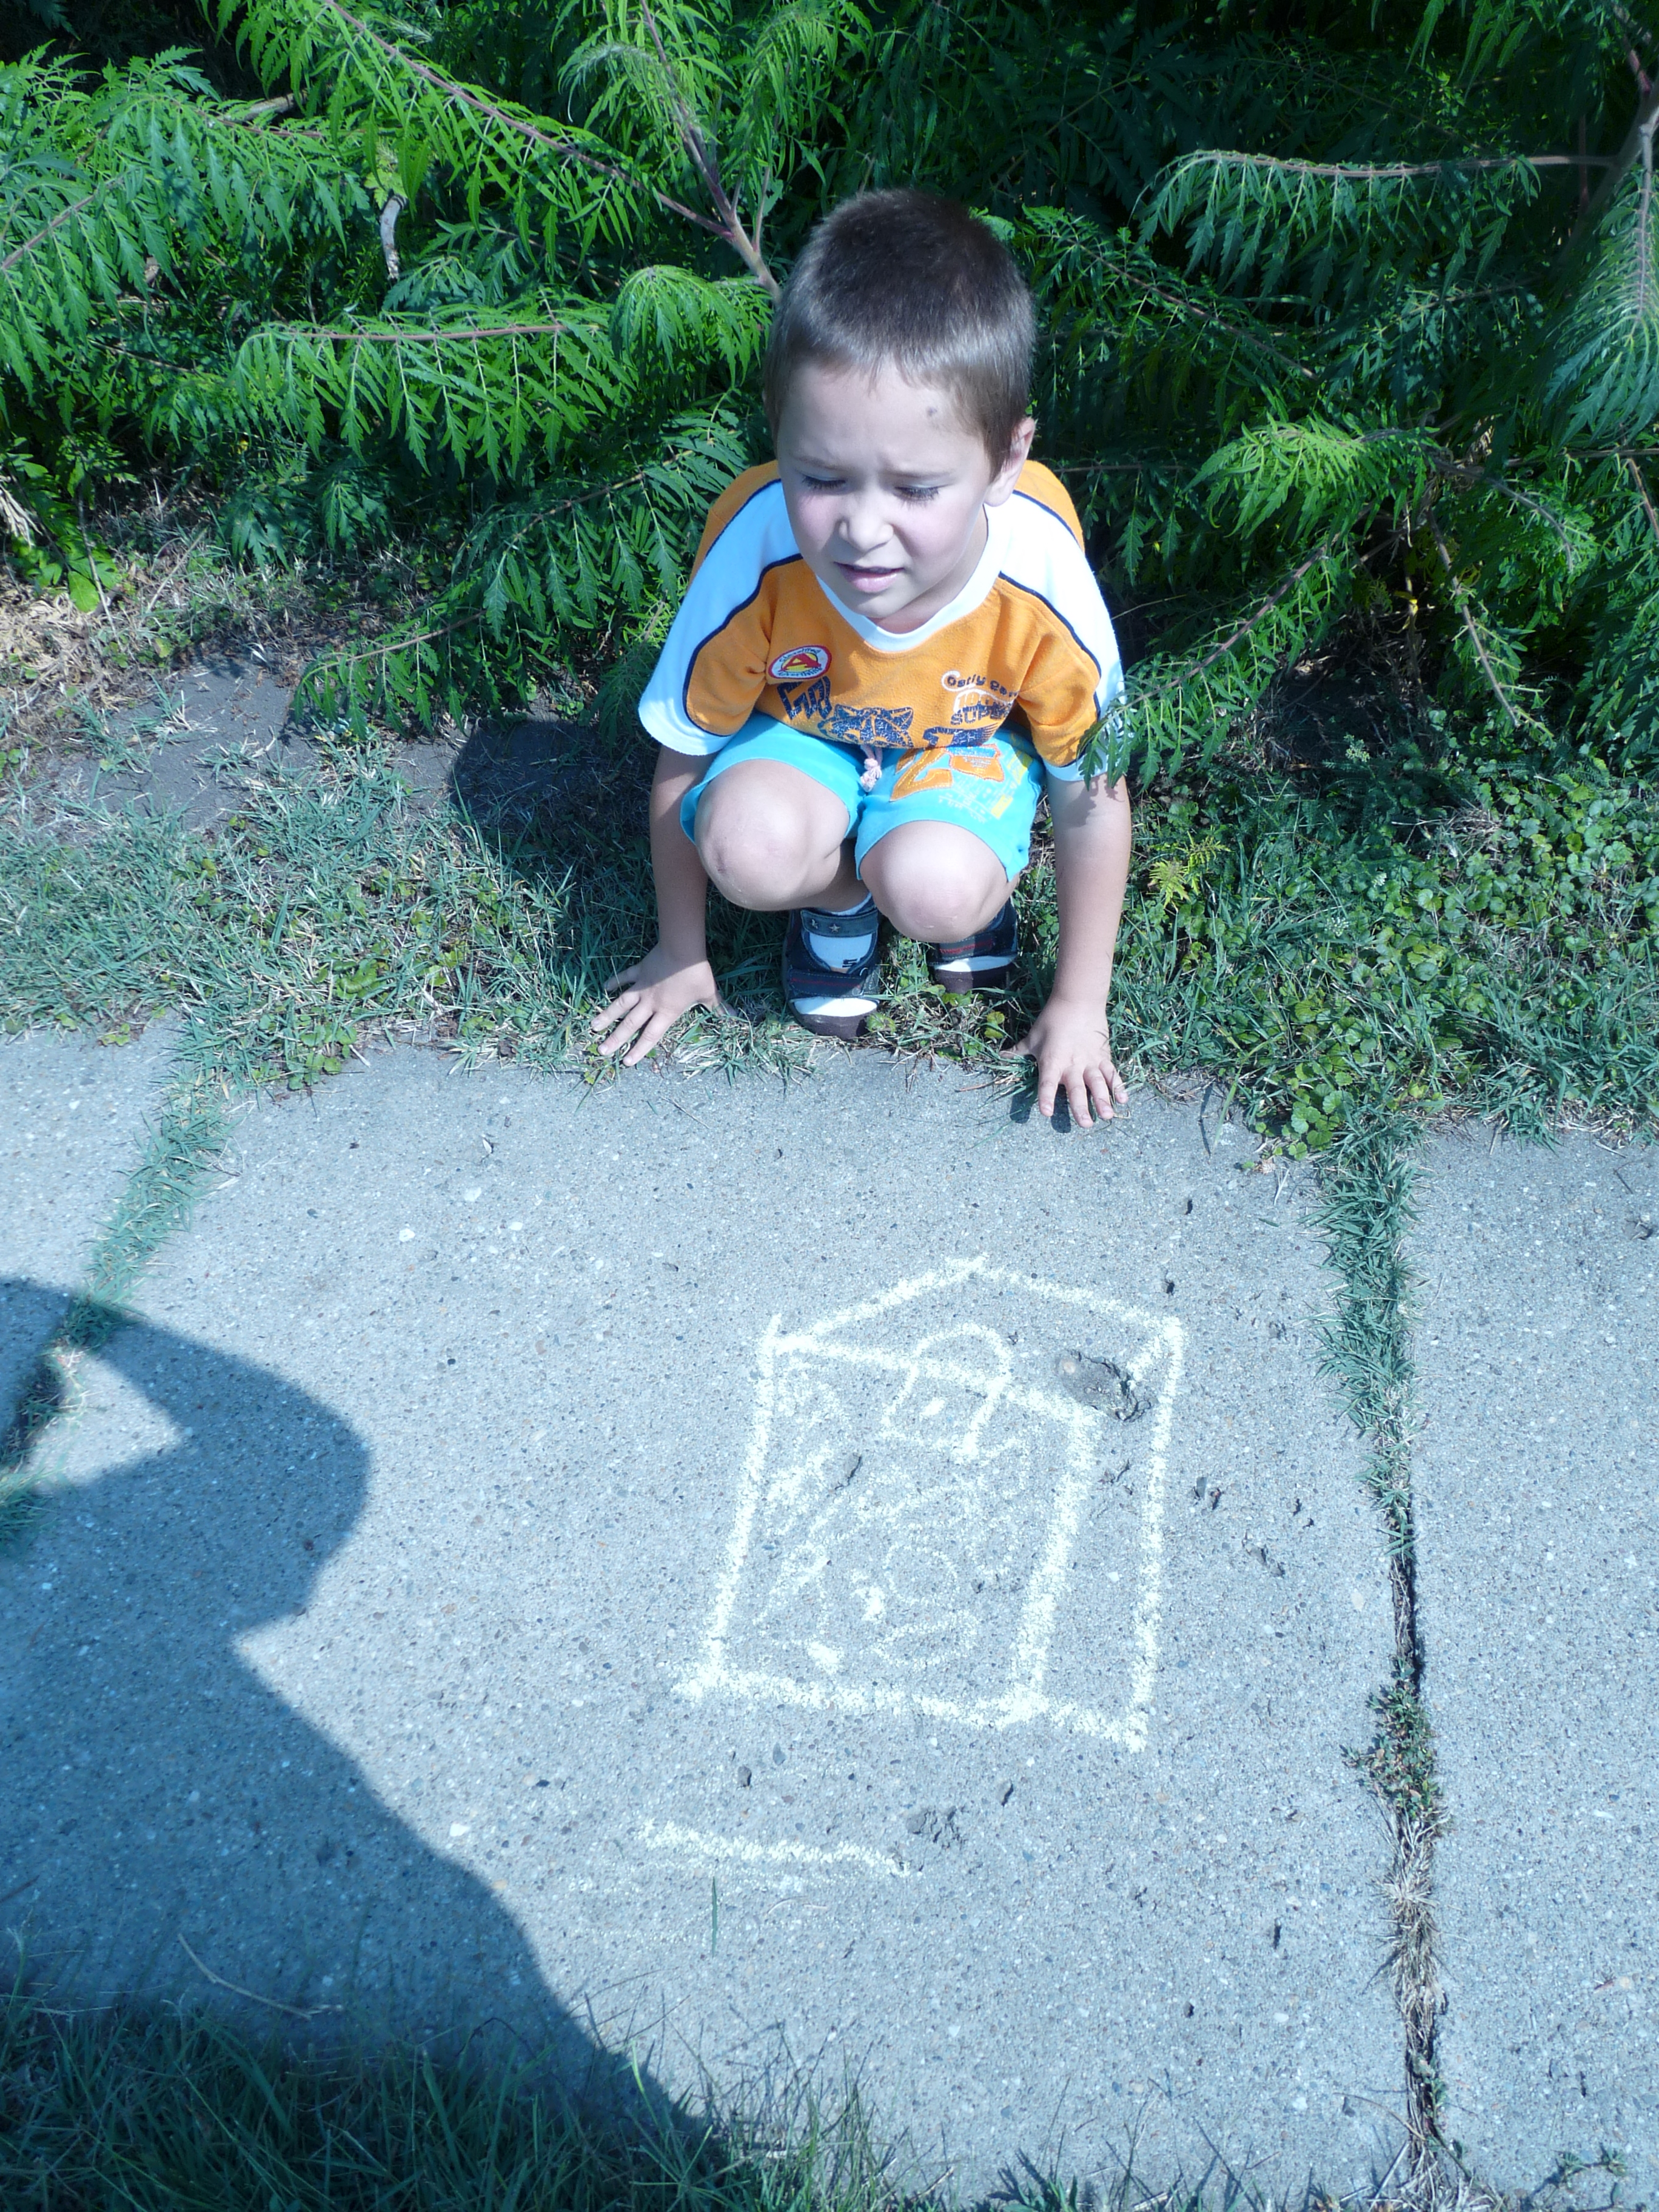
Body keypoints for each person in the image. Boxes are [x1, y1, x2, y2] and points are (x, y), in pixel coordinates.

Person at [591, 189, 1133, 1130]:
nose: (863, 529)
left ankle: (943, 879)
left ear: (1008, 461)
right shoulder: (756, 551)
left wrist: (1082, 1004)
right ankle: (840, 898)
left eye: (916, 489)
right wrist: (681, 951)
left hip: (960, 744)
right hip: (802, 738)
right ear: (779, 433)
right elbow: (684, 754)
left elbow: (1094, 794)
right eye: (822, 477)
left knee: (936, 889)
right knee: (744, 847)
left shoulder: (1044, 580)